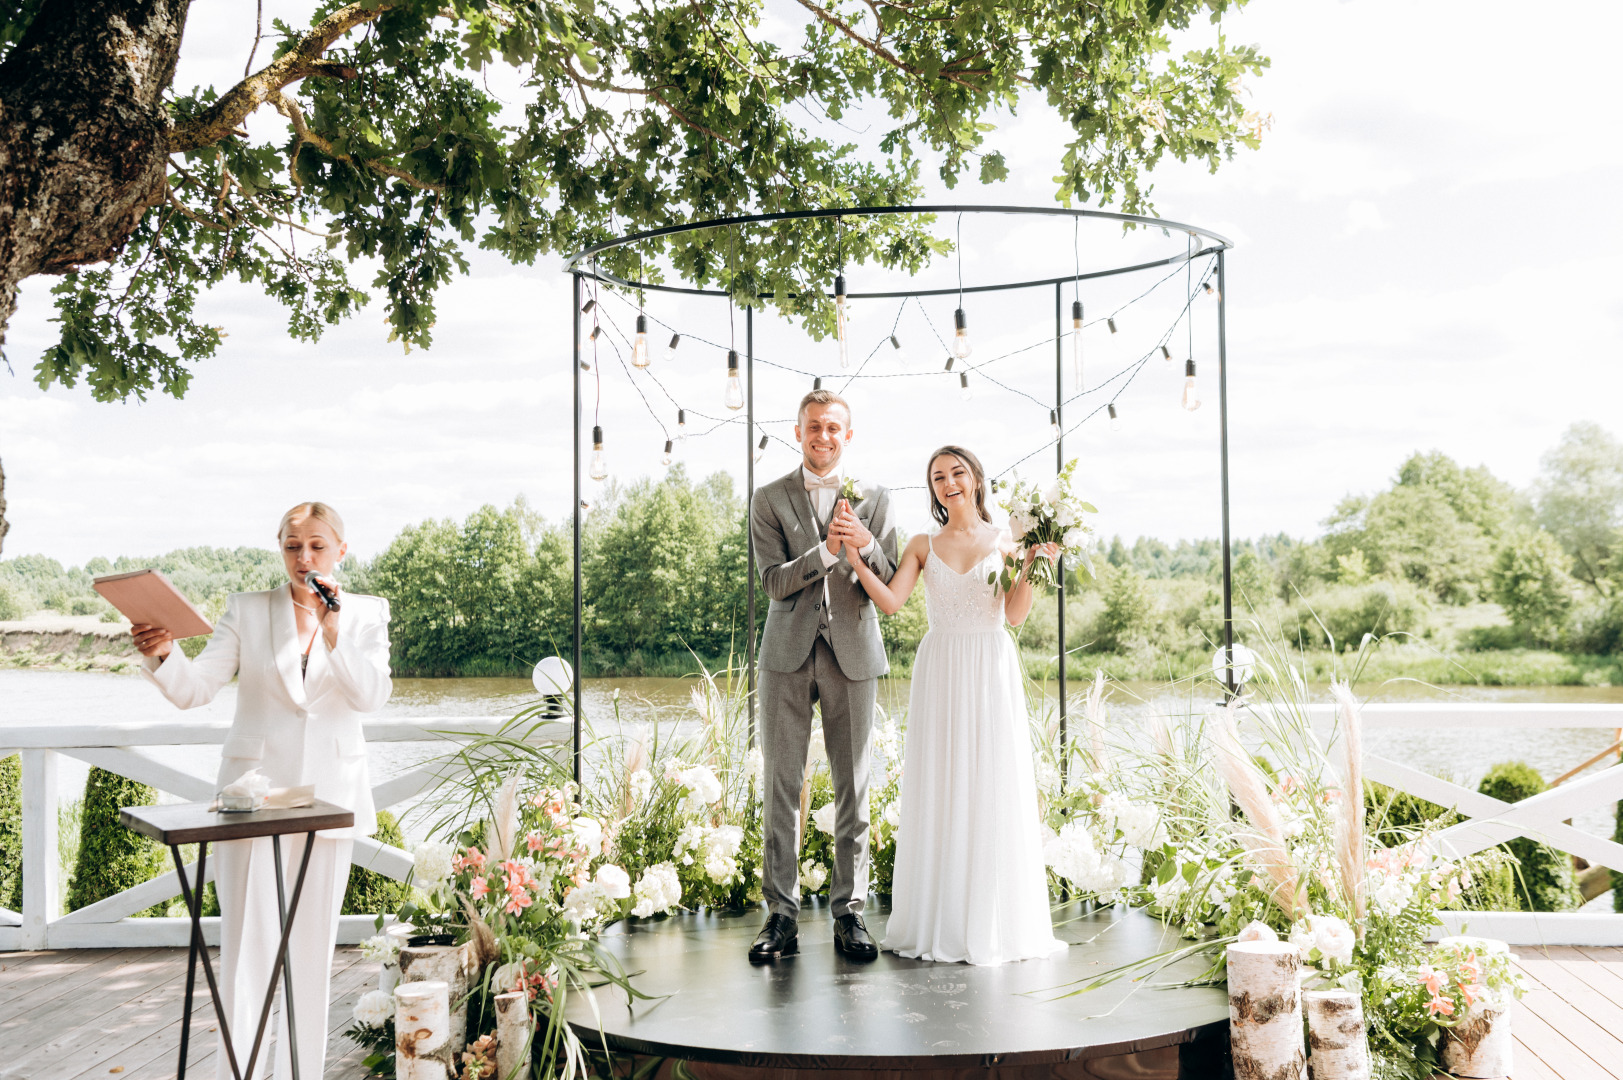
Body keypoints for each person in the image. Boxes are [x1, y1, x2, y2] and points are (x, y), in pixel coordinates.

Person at [131, 502, 392, 1079]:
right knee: (248, 952)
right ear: (280, 548)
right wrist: (161, 651)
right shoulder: (247, 610)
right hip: (251, 801)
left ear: (341, 551)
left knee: (311, 957)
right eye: (292, 545)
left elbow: (371, 696)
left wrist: (333, 631)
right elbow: (195, 690)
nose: (304, 558)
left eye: (317, 546)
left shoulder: (367, 614)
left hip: (331, 804)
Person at [845, 446, 1065, 964]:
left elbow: (1013, 616)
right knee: (942, 784)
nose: (948, 483)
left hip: (990, 666)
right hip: (941, 667)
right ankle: (939, 918)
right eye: (938, 477)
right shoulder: (923, 543)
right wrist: (855, 557)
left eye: (957, 473)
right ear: (933, 489)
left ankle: (992, 921)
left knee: (992, 781)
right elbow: (893, 602)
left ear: (976, 479)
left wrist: (1031, 560)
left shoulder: (1007, 540)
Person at [748, 389, 897, 963]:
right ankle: (780, 916)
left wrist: (860, 546)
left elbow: (886, 578)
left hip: (854, 652)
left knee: (853, 786)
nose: (824, 436)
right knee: (781, 786)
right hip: (786, 653)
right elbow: (772, 582)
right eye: (815, 427)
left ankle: (850, 914)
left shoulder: (877, 499)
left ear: (847, 435)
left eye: (834, 428)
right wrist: (825, 553)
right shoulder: (768, 498)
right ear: (799, 431)